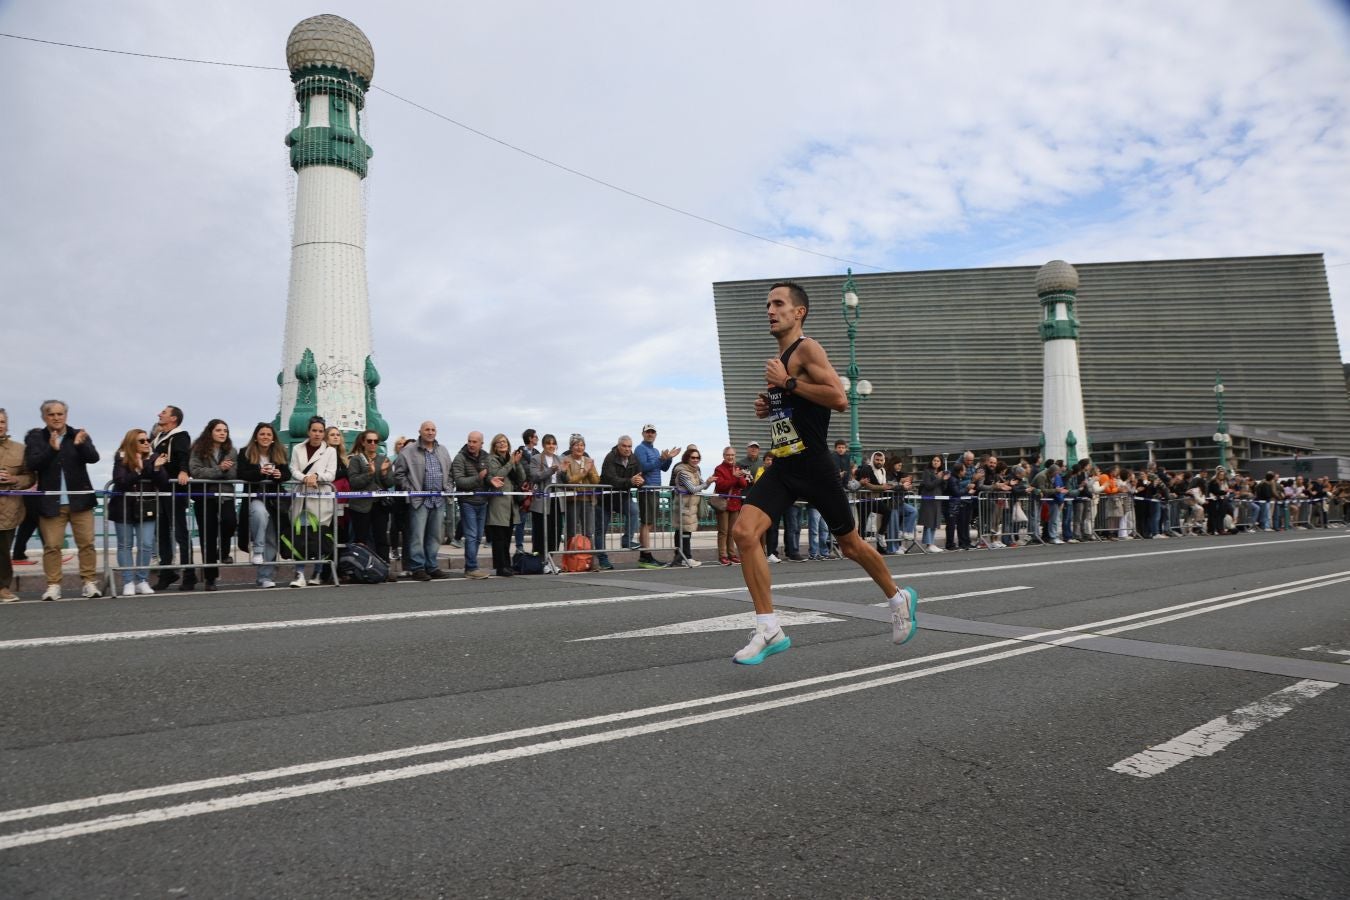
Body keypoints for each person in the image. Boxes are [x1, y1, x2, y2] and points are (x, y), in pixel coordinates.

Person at [730, 282, 917, 665]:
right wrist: (773, 405)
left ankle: (898, 599)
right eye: (767, 304)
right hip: (783, 464)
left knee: (850, 545)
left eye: (778, 303)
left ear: (799, 312)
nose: (770, 310)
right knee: (744, 533)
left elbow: (840, 399)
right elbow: (797, 409)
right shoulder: (780, 357)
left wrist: (787, 383)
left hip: (815, 466)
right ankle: (769, 628)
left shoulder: (807, 348)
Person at [24, 400, 101, 600]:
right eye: (52, 415)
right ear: (44, 417)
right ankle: (53, 585)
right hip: (51, 502)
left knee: (87, 543)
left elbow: (94, 458)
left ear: (66, 415)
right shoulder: (36, 437)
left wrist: (81, 445)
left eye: (60, 414)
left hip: (80, 501)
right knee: (51, 546)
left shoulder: (79, 434)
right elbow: (32, 464)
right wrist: (51, 448)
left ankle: (89, 582)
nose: (57, 418)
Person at [107, 428, 170, 595]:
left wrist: (156, 469)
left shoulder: (154, 457)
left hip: (146, 507)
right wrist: (139, 470)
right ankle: (128, 581)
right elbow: (120, 481)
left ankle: (142, 580)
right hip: (123, 507)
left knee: (146, 544)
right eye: (141, 441)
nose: (146, 443)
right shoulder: (121, 457)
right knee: (125, 545)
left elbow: (164, 483)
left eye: (147, 440)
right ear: (131, 443)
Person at [394, 421, 454, 582]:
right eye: (427, 429)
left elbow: (450, 473)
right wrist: (412, 489)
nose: (430, 432)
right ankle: (417, 567)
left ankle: (432, 566)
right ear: (420, 431)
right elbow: (399, 474)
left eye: (433, 429)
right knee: (417, 536)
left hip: (437, 500)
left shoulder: (443, 450)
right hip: (419, 500)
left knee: (435, 536)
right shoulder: (408, 451)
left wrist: (447, 487)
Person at [236, 422, 291, 588]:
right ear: (256, 437)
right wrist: (259, 473)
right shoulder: (245, 453)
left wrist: (278, 474)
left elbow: (286, 474)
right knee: (260, 514)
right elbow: (241, 473)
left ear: (273, 438)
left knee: (272, 538)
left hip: (274, 500)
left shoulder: (279, 453)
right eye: (262, 434)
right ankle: (257, 551)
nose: (265, 437)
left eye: (269, 434)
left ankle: (265, 577)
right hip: (255, 497)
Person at [187, 419, 238, 591]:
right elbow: (196, 471)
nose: (223, 433)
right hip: (205, 496)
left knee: (230, 522)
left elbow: (233, 474)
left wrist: (222, 471)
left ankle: (223, 551)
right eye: (219, 430)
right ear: (210, 432)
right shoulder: (198, 449)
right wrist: (219, 470)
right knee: (207, 536)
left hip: (226, 495)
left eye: (225, 430)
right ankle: (210, 578)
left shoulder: (231, 450)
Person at [288, 416, 338, 587]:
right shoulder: (297, 448)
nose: (317, 434)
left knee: (319, 537)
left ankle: (317, 573)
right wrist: (305, 478)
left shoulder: (330, 451)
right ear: (308, 431)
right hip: (302, 496)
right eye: (314, 430)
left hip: (320, 497)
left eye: (320, 431)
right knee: (300, 535)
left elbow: (331, 474)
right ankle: (299, 573)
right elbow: (293, 469)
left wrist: (317, 477)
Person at [148, 405, 193, 591]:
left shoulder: (180, 436)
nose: (159, 414)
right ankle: (167, 572)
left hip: (175, 489)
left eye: (164, 412)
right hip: (160, 490)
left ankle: (189, 574)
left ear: (173, 418)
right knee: (162, 533)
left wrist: (183, 471)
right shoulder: (158, 438)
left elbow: (184, 455)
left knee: (180, 532)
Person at [347, 429, 396, 580]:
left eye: (376, 441)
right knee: (361, 540)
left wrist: (382, 473)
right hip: (360, 506)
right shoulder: (356, 460)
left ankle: (385, 569)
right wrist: (369, 473)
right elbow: (354, 482)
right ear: (363, 442)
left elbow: (390, 482)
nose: (373, 444)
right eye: (370, 441)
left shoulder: (383, 459)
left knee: (381, 538)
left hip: (379, 505)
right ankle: (359, 569)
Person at [0, 408, 36, 601]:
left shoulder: (19, 449)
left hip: (9, 509)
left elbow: (30, 477)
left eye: (2, 422)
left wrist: (13, 479)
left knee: (3, 552)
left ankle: (3, 588)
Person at [633, 425, 681, 568]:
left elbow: (663, 468)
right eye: (648, 432)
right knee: (646, 523)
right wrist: (661, 458)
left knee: (650, 523)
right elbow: (643, 467)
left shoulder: (654, 450)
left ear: (655, 434)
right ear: (643, 434)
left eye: (652, 432)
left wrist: (669, 458)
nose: (650, 434)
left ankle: (645, 555)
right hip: (646, 489)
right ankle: (646, 555)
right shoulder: (640, 449)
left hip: (654, 490)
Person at [451, 431, 495, 579]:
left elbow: (487, 476)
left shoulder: (485, 456)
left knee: (477, 536)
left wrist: (491, 481)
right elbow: (459, 481)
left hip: (482, 501)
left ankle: (471, 566)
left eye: (474, 442)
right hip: (467, 502)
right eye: (469, 441)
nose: (471, 444)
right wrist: (478, 478)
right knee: (470, 535)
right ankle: (471, 567)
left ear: (481, 443)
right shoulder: (460, 458)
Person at [485, 434, 527, 576]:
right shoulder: (491, 459)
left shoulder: (511, 459)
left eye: (504, 442)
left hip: (511, 504)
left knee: (508, 536)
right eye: (499, 442)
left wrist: (518, 462)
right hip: (498, 503)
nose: (502, 444)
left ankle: (507, 565)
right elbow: (498, 474)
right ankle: (500, 566)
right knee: (499, 537)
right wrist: (511, 462)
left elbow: (522, 478)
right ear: (494, 446)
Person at [560, 434, 602, 569]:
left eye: (582, 445)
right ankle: (568, 562)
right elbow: (569, 481)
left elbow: (596, 481)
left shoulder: (589, 460)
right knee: (571, 532)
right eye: (576, 445)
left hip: (588, 500)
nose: (579, 447)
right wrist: (584, 474)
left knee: (589, 532)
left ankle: (591, 562)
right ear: (571, 447)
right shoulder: (566, 460)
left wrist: (589, 472)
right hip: (572, 500)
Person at [600, 435, 645, 557]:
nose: (627, 449)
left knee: (634, 510)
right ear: (618, 446)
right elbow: (611, 479)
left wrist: (640, 482)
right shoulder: (610, 457)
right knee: (601, 529)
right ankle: (602, 559)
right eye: (624, 446)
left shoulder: (634, 458)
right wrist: (630, 481)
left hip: (622, 495)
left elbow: (640, 475)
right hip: (605, 498)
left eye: (629, 446)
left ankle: (626, 540)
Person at [670, 445, 712, 567]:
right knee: (685, 532)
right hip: (684, 506)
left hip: (690, 506)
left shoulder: (696, 471)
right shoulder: (682, 472)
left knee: (684, 532)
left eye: (697, 458)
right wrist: (707, 483)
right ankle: (686, 557)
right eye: (693, 457)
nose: (695, 460)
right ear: (687, 458)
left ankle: (680, 557)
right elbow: (693, 489)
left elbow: (702, 485)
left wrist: (708, 482)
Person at [529, 433, 565, 569]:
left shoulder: (560, 458)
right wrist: (550, 470)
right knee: (541, 532)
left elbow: (564, 480)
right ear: (543, 445)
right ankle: (540, 561)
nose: (551, 446)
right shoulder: (536, 458)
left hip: (557, 499)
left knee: (555, 532)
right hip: (542, 501)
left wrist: (565, 472)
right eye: (548, 443)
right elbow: (534, 476)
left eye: (553, 443)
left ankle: (550, 559)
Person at [712, 446, 751, 565]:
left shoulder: (737, 467)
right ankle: (722, 555)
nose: (730, 457)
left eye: (732, 455)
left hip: (735, 503)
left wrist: (739, 477)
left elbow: (744, 485)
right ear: (724, 456)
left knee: (732, 531)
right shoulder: (719, 469)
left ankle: (732, 554)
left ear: (735, 456)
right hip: (723, 503)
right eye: (728, 455)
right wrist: (735, 477)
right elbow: (721, 486)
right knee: (723, 531)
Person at [515, 429, 540, 553]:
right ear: (530, 438)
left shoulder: (538, 453)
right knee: (521, 520)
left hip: (535, 489)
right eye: (535, 436)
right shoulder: (519, 452)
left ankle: (536, 546)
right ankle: (519, 546)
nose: (537, 438)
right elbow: (517, 470)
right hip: (524, 490)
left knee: (536, 520)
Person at [917, 455, 945, 552]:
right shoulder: (927, 471)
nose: (936, 462)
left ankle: (932, 543)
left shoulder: (941, 473)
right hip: (929, 499)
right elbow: (928, 485)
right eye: (934, 460)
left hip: (937, 499)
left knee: (934, 522)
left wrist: (945, 479)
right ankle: (929, 544)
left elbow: (944, 488)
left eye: (938, 461)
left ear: (941, 463)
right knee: (928, 522)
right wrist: (940, 479)